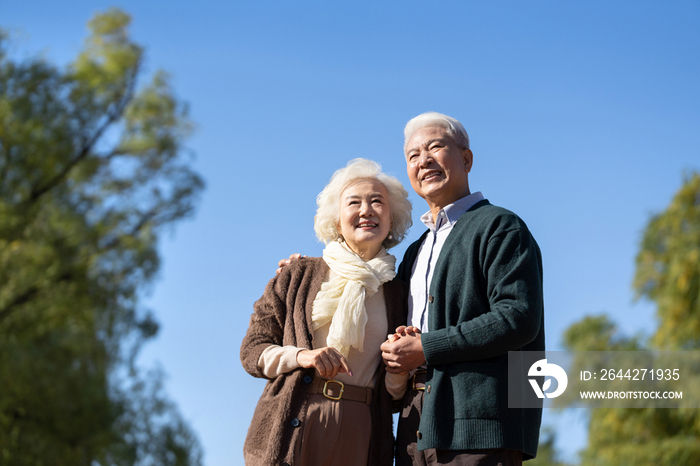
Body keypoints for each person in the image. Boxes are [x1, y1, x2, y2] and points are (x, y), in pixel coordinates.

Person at [379, 112, 545, 466]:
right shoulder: (415, 250)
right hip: (415, 430)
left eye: (435, 147)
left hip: (480, 431)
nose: (423, 161)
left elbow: (518, 317)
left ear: (466, 159)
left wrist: (426, 346)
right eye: (413, 155)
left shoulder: (501, 227)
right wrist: (308, 269)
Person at [240, 158, 413, 466]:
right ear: (336, 220)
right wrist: (301, 356)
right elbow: (252, 351)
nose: (366, 210)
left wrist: (399, 368)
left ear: (391, 218)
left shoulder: (400, 292)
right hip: (293, 419)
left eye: (377, 202)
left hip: (363, 430)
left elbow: (394, 397)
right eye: (354, 202)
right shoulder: (296, 274)